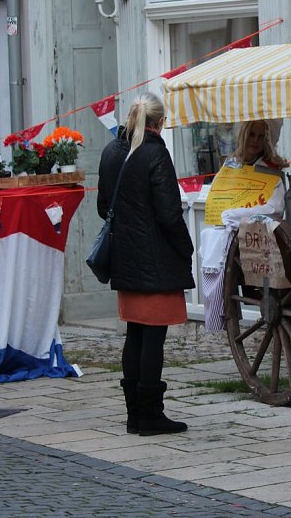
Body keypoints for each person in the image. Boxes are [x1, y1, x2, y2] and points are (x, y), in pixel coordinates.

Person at [97, 92, 195, 437]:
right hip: (156, 260)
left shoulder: (111, 152)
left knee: (135, 334)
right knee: (153, 335)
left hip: (125, 257)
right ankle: (151, 415)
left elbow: (101, 206)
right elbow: (169, 214)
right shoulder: (155, 153)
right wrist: (187, 249)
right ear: (161, 123)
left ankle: (135, 415)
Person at [200, 119, 288, 333]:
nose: (255, 141)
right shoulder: (230, 166)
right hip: (230, 238)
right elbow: (217, 199)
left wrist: (237, 215)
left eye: (261, 137)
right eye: (252, 135)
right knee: (212, 240)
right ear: (243, 135)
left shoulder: (271, 171)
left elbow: (274, 208)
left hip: (259, 241)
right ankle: (220, 311)